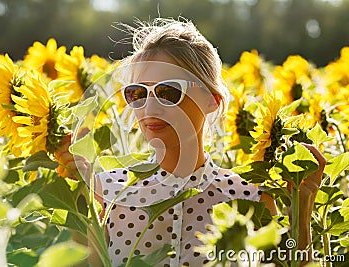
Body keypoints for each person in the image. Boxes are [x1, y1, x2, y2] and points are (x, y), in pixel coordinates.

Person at [59, 18, 326, 267]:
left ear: (212, 100)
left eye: (168, 91)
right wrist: (79, 199)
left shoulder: (250, 198)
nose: (150, 106)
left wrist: (301, 210)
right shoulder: (107, 193)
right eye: (138, 93)